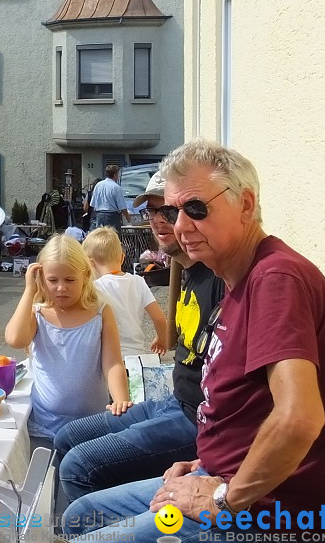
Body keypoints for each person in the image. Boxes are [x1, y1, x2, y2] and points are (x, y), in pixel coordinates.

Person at [63, 140, 325, 543]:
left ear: (246, 205)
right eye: (170, 211)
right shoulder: (237, 279)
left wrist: (222, 498)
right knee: (83, 514)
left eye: (196, 209)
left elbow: (298, 418)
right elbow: (251, 408)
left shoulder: (275, 280)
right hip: (224, 480)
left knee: (87, 534)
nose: (180, 226)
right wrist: (206, 462)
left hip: (276, 515)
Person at [55, 171, 224, 508]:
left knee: (77, 467)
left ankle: (99, 521)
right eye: (152, 213)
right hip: (174, 401)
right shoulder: (188, 272)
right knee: (65, 437)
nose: (160, 221)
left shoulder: (219, 278)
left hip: (194, 420)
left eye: (169, 212)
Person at [4, 234, 130, 450]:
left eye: (70, 280)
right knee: (47, 482)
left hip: (91, 427)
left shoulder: (100, 312)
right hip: (44, 428)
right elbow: (15, 339)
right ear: (41, 278)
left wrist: (121, 399)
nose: (61, 288)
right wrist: (29, 291)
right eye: (52, 280)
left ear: (86, 275)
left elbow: (112, 363)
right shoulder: (37, 314)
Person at [82, 227, 166, 357]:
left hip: (109, 356)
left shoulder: (96, 287)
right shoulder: (138, 281)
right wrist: (161, 339)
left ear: (90, 264)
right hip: (137, 355)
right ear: (122, 258)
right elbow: (159, 318)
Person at [88, 165, 129, 231]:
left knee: (100, 237)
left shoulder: (98, 185)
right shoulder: (116, 187)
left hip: (99, 215)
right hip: (112, 216)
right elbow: (122, 207)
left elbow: (93, 204)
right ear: (115, 175)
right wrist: (128, 218)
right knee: (112, 238)